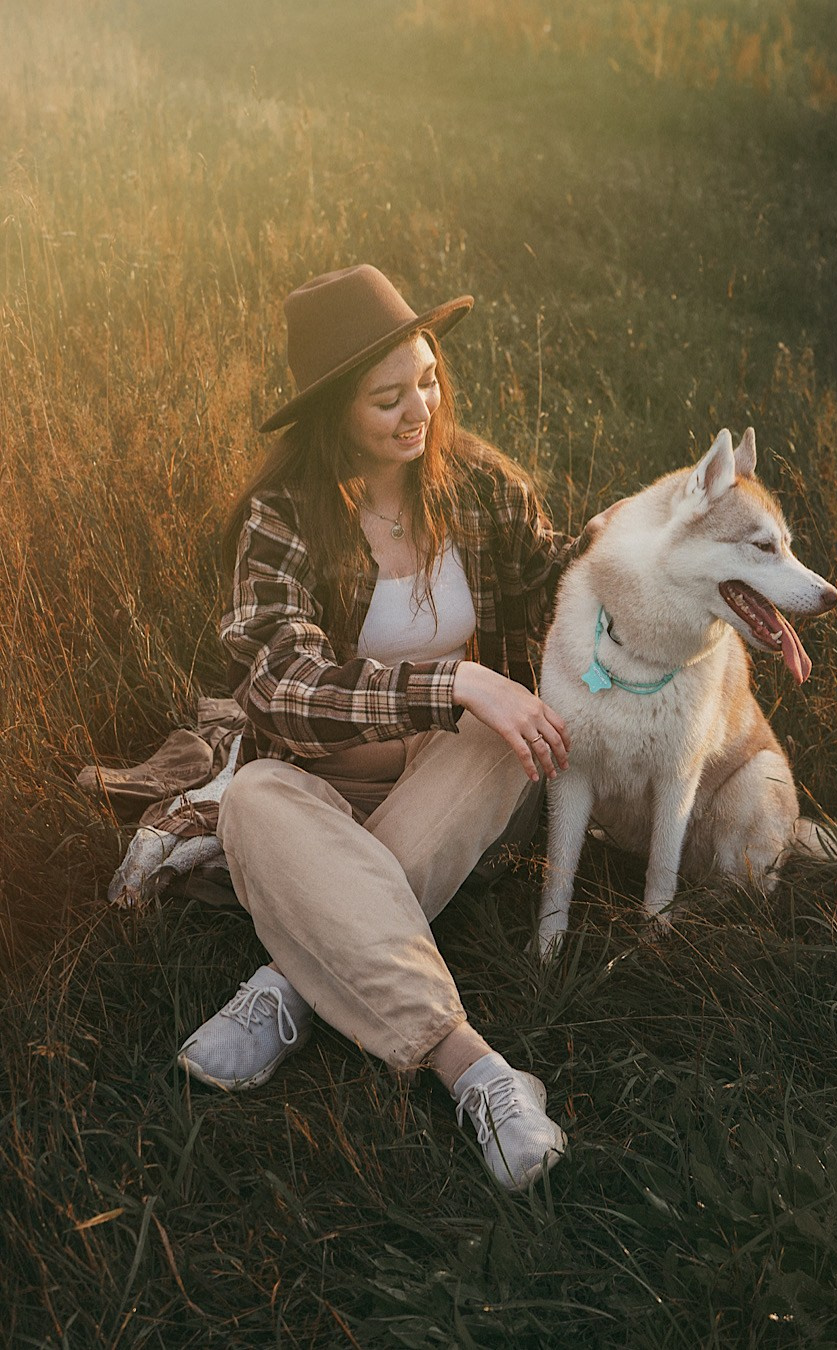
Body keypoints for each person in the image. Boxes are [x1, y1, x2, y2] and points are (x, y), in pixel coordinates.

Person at [176, 264, 589, 1192]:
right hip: (326, 788)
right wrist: (455, 678)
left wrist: (664, 532)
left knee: (497, 735)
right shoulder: (281, 519)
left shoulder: (479, 491)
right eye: (389, 398)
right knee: (252, 796)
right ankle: (478, 1068)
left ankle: (288, 977)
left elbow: (571, 577)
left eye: (430, 379)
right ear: (334, 412)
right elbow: (282, 684)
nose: (421, 412)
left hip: (463, 782)